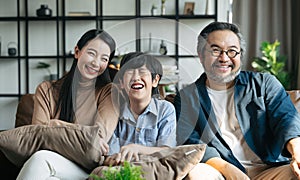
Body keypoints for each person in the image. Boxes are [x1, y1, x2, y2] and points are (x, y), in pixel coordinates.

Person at [174, 21, 300, 179]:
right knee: (196, 173)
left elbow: (286, 118)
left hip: (269, 169)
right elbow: (189, 142)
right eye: (215, 50)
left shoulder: (264, 84)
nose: (224, 58)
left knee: (295, 173)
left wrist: (297, 149)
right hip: (221, 170)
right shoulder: (187, 97)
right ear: (201, 55)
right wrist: (227, 168)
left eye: (232, 51)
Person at [17, 29, 119, 179]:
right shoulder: (46, 90)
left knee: (41, 159)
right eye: (91, 53)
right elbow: (38, 136)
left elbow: (98, 137)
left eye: (104, 59)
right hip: (54, 165)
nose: (96, 63)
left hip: (87, 168)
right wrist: (80, 135)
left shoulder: (109, 93)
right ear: (77, 52)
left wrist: (54, 125)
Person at [104, 52, 176, 166]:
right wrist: (113, 159)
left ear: (155, 80)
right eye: (130, 72)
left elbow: (167, 151)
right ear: (122, 82)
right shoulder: (114, 111)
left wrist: (137, 149)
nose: (136, 77)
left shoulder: (165, 110)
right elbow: (110, 155)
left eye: (142, 72)